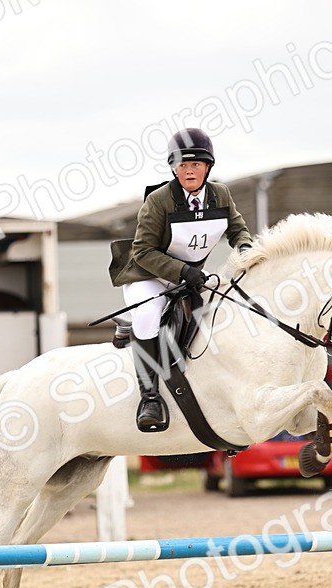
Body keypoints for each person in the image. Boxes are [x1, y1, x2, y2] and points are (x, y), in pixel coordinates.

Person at [108, 128, 253, 431]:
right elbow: (142, 251)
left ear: (207, 167)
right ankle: (150, 398)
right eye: (182, 165)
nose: (188, 170)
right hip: (148, 275)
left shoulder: (220, 194)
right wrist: (184, 272)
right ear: (174, 168)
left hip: (189, 277)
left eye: (195, 164)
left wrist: (245, 248)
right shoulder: (159, 200)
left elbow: (237, 228)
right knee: (148, 315)